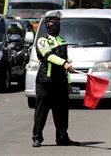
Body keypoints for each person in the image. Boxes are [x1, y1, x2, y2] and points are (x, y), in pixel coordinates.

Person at [32, 10, 80, 148]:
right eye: (54, 23)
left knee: (62, 112)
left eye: (58, 23)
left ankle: (62, 137)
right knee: (42, 111)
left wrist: (68, 82)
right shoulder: (42, 40)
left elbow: (66, 63)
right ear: (47, 25)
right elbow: (48, 56)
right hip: (45, 81)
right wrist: (65, 63)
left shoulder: (62, 41)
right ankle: (37, 137)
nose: (57, 26)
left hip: (60, 81)